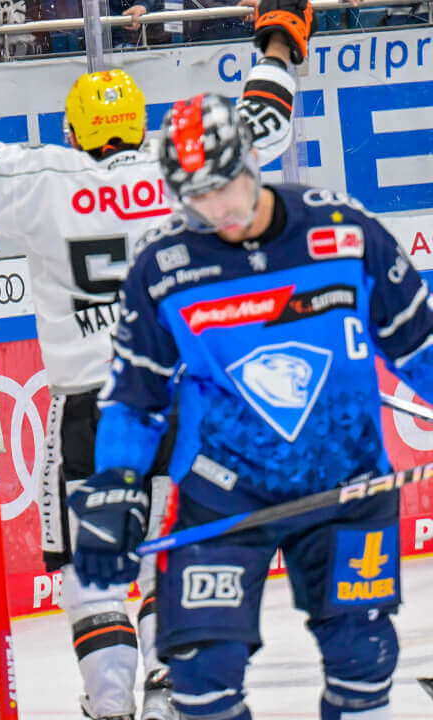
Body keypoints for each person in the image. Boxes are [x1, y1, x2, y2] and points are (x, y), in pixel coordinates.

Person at [0, 2, 308, 716]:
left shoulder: (42, 178)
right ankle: (179, 684)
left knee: (93, 578)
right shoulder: (185, 169)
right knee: (167, 555)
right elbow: (264, 123)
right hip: (191, 400)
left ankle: (112, 703)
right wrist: (276, 41)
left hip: (95, 409)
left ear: (74, 130)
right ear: (141, 125)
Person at [74, 81, 426, 719]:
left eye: (225, 184)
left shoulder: (344, 231)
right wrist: (117, 483)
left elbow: (419, 347)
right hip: (224, 494)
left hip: (347, 489)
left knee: (363, 659)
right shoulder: (164, 267)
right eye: (197, 195)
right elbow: (134, 400)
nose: (218, 207)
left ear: (251, 164)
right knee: (200, 677)